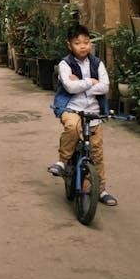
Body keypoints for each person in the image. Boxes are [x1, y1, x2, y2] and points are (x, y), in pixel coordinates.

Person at [48, 24, 117, 206]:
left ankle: (101, 190)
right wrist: (90, 82)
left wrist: (80, 83)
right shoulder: (65, 64)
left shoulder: (97, 63)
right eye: (77, 43)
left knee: (97, 152)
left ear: (90, 44)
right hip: (71, 109)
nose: (83, 46)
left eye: (86, 42)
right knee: (72, 127)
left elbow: (105, 87)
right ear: (69, 45)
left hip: (93, 112)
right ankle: (63, 161)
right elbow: (69, 87)